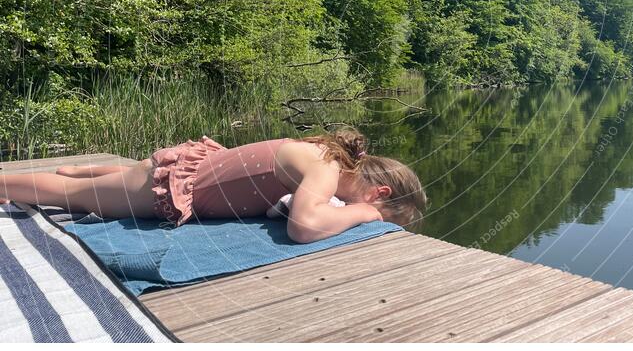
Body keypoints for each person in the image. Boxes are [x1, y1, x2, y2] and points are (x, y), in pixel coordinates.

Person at [0, 129, 427, 243]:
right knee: (67, 199)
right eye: (382, 215)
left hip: (185, 171)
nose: (370, 219)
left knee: (117, 181)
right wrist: (363, 214)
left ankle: (85, 171)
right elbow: (304, 226)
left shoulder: (325, 153)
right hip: (170, 190)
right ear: (379, 193)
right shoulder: (326, 170)